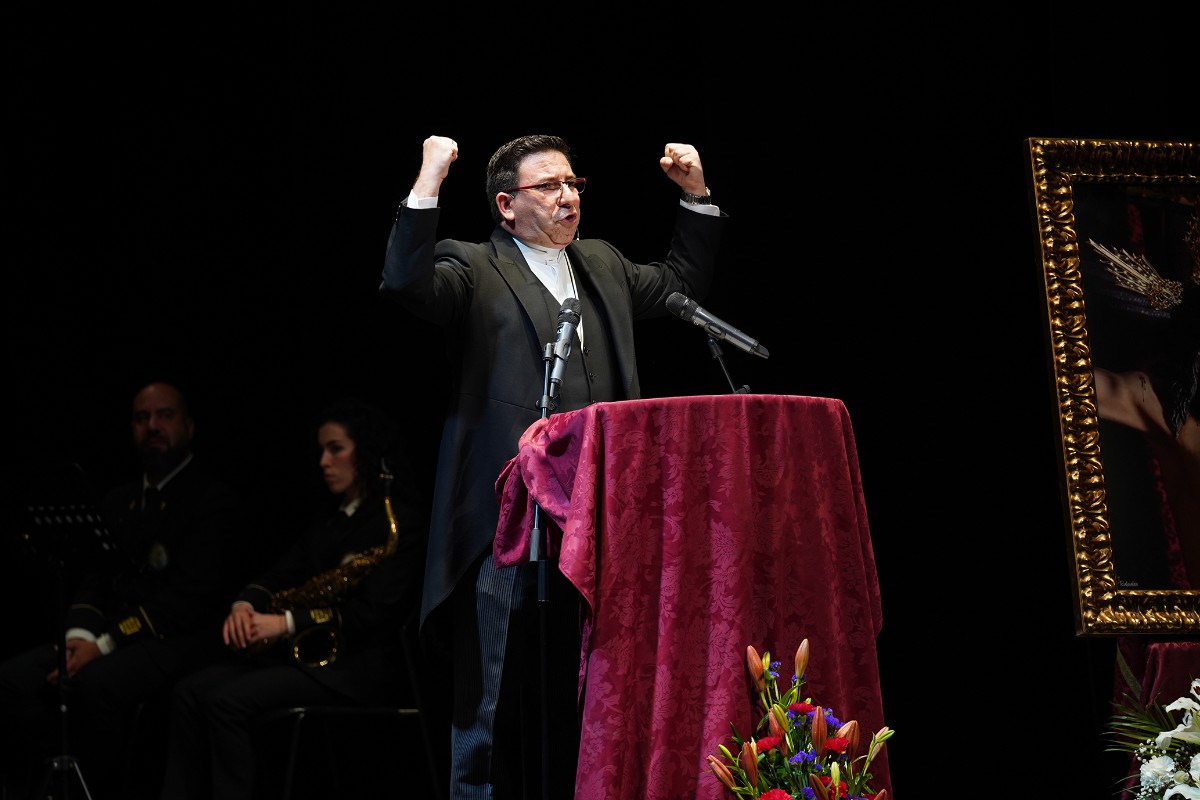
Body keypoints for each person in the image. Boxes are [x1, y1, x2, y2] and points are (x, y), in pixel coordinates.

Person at [379, 133, 727, 799]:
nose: (568, 197)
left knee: (596, 691)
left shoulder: (601, 263)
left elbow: (680, 285)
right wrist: (428, 180)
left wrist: (695, 195)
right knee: (492, 697)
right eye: (549, 186)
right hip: (505, 520)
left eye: (573, 183)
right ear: (507, 204)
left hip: (603, 515)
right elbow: (405, 284)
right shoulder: (473, 265)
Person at [158, 398, 428, 800]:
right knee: (188, 691)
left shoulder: (397, 523)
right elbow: (281, 572)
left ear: (366, 451)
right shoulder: (332, 518)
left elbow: (375, 614)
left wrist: (285, 623)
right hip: (313, 658)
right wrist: (245, 604)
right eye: (322, 450)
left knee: (224, 701)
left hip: (359, 668)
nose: (323, 461)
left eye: (335, 449)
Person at [0, 380, 246, 800]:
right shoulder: (119, 500)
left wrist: (103, 645)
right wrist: (78, 638)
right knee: (14, 679)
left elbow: (184, 602)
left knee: (93, 685)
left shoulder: (211, 499)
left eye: (165, 416)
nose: (152, 426)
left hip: (176, 639)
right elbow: (94, 580)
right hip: (106, 638)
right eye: (141, 418)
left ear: (189, 427)